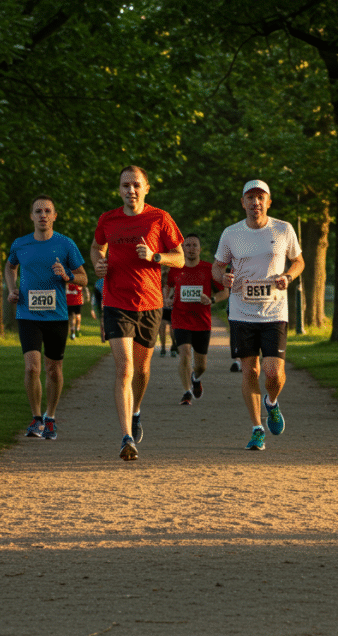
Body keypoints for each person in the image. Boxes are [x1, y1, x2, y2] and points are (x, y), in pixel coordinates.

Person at [91, 165, 184, 461]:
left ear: (146, 188)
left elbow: (180, 259)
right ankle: (126, 437)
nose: (130, 190)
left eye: (135, 185)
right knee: (125, 368)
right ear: (119, 190)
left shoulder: (160, 218)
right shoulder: (108, 219)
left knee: (142, 371)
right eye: (125, 185)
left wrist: (156, 256)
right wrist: (98, 263)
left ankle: (137, 410)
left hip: (150, 303)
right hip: (117, 303)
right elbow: (96, 247)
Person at [213, 180, 304, 451]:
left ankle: (272, 403)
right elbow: (217, 267)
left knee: (273, 373)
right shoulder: (231, 233)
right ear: (243, 202)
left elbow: (298, 261)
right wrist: (224, 278)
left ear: (269, 201)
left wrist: (288, 276)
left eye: (260, 197)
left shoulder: (284, 229)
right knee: (250, 370)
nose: (255, 202)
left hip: (275, 311)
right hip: (241, 311)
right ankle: (257, 429)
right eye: (250, 198)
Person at [6, 195, 88, 441]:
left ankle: (50, 417)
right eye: (38, 211)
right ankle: (36, 418)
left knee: (53, 369)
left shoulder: (66, 244)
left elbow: (83, 277)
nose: (43, 215)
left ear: (54, 216)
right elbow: (10, 267)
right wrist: (11, 289)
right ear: (31, 216)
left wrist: (68, 276)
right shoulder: (20, 244)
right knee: (32, 367)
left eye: (47, 211)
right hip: (28, 314)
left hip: (57, 316)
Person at [165, 233, 228, 405]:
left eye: (194, 245)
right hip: (180, 318)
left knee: (201, 366)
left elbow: (224, 292)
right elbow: (168, 286)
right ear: (182, 249)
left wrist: (212, 299)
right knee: (184, 354)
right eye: (187, 245)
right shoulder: (175, 269)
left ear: (200, 249)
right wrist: (167, 299)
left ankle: (195, 378)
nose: (191, 249)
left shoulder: (208, 269)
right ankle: (186, 392)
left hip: (202, 321)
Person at [158, 271, 176, 357]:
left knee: (172, 330)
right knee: (162, 328)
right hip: (162, 309)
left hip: (172, 309)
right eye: (165, 278)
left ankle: (174, 345)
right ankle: (163, 348)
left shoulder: (174, 287)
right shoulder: (159, 288)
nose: (166, 279)